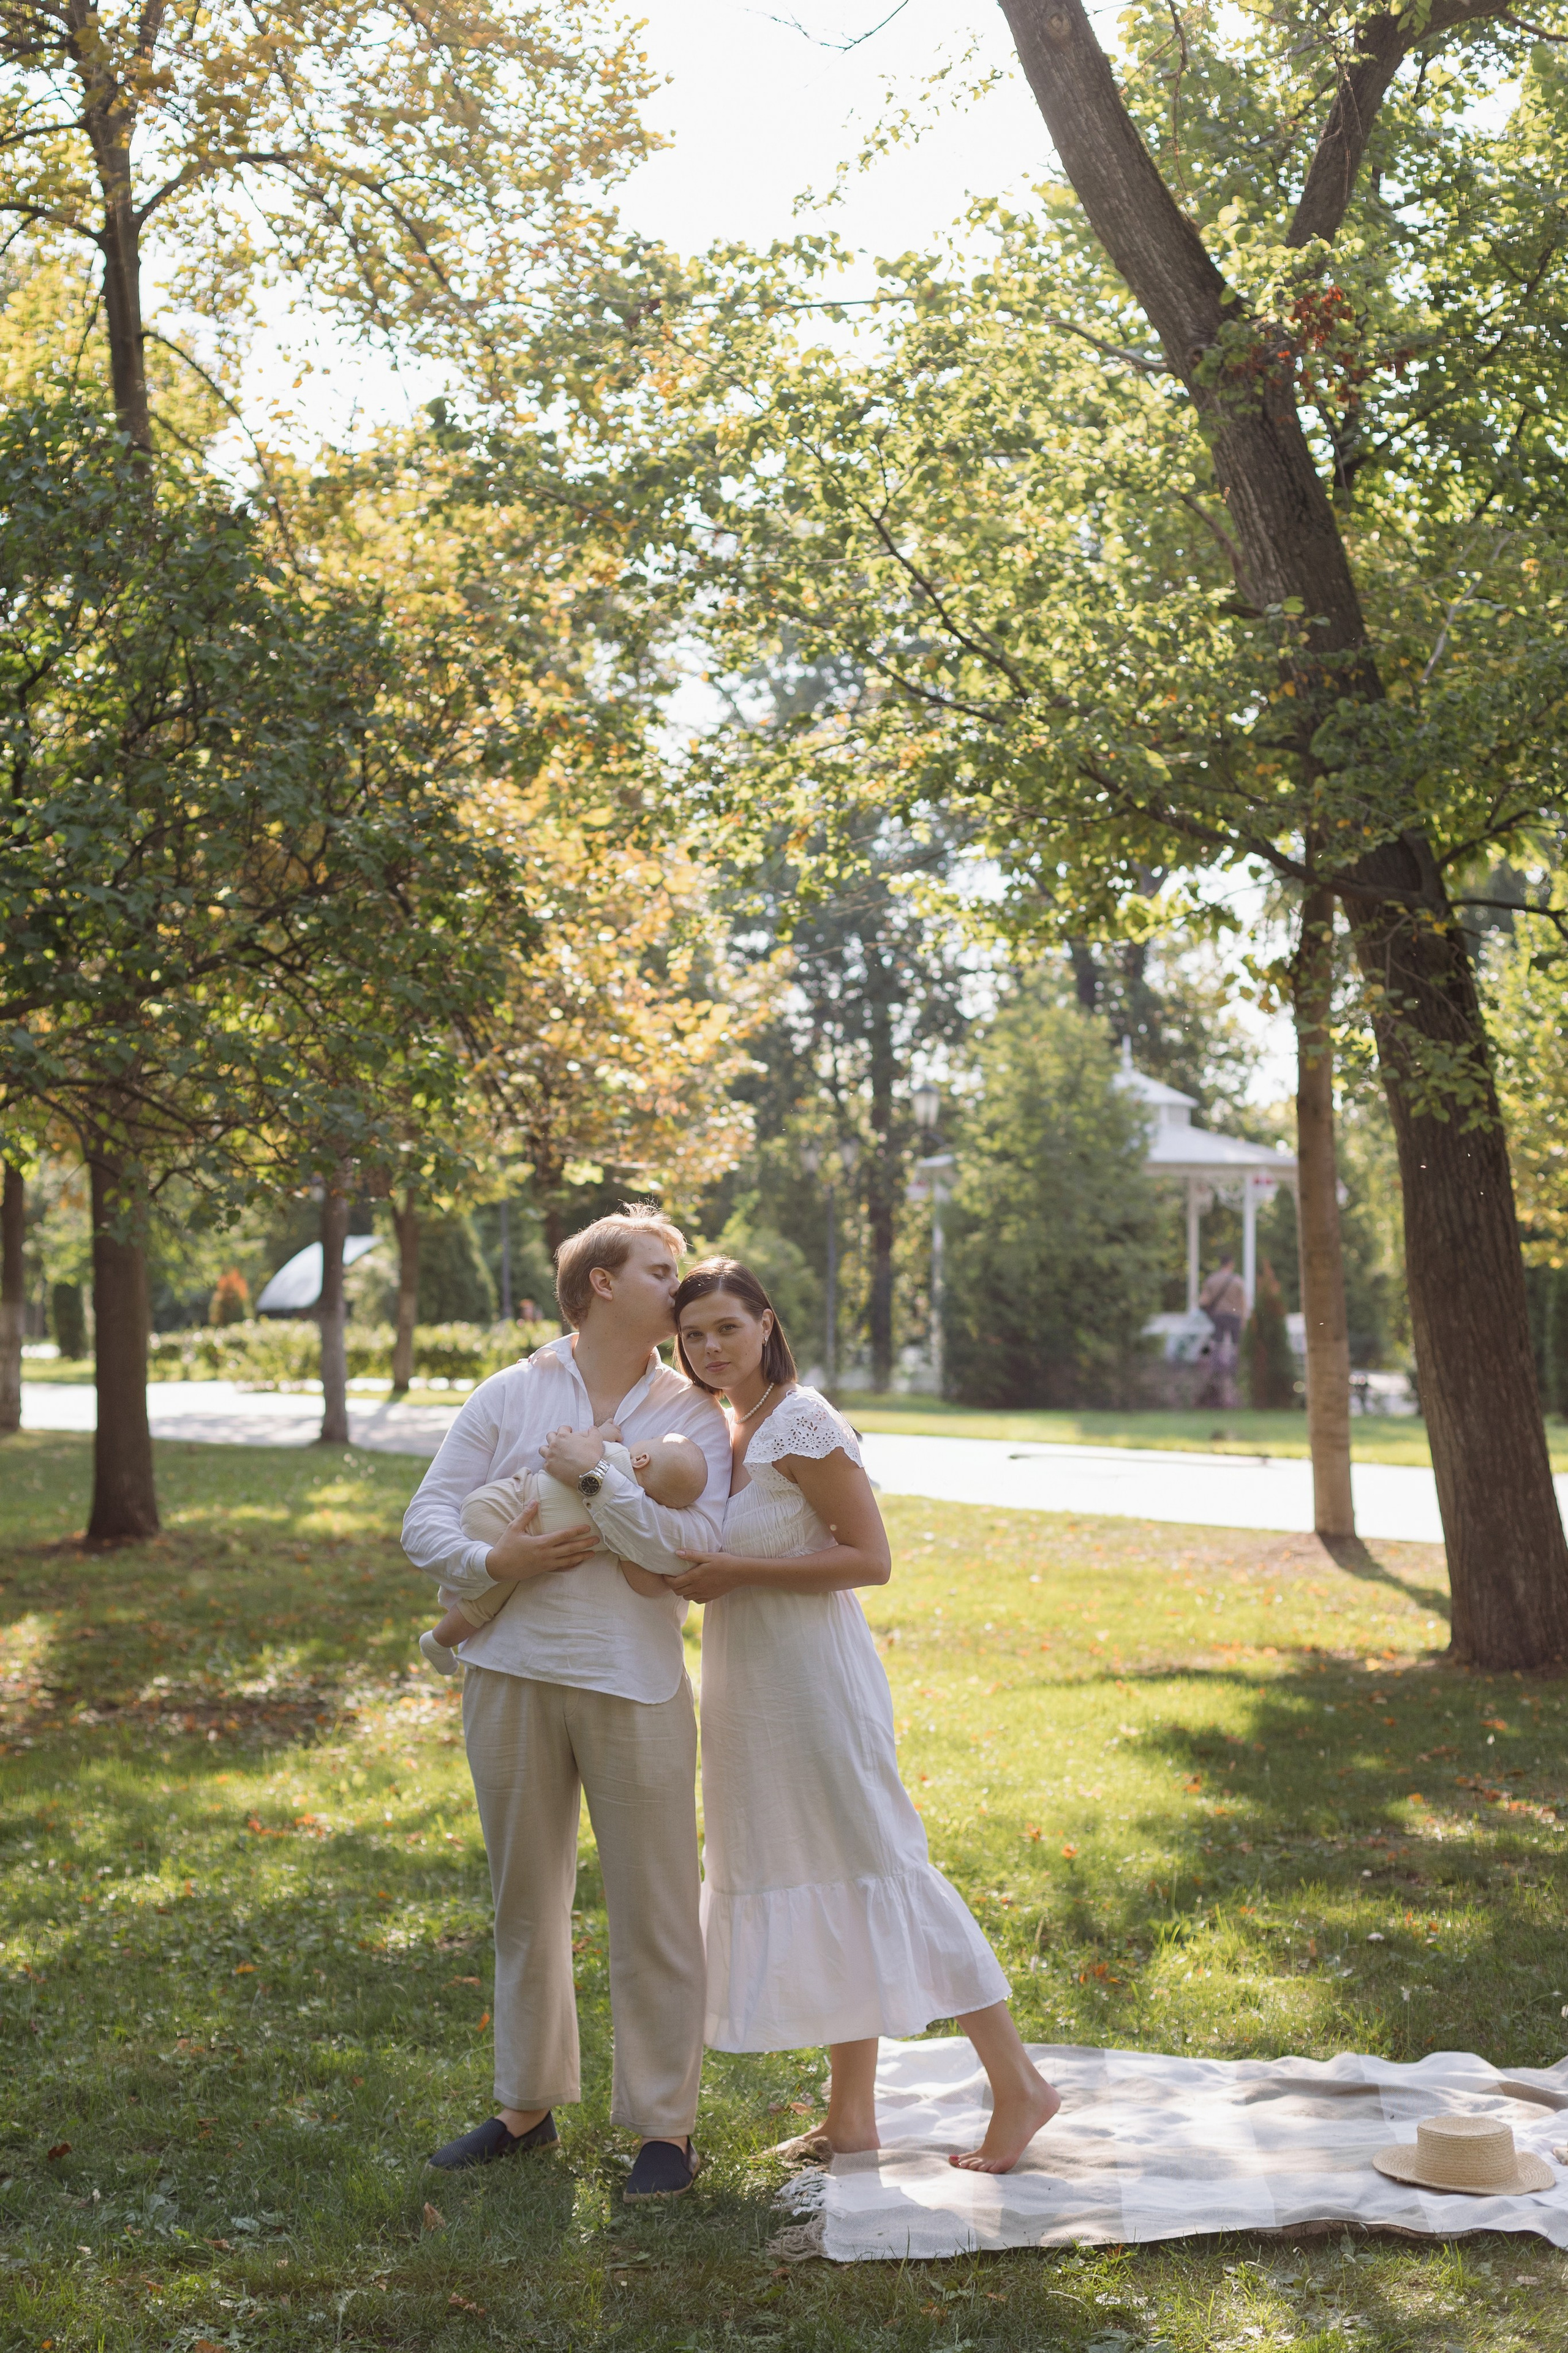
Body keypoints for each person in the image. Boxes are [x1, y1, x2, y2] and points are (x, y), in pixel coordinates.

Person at [668, 1258, 1061, 2176]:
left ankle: (1019, 2085)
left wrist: (737, 1572)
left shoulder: (801, 1418)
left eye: (727, 1327)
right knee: (826, 1877)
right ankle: (850, 2119)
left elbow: (870, 1558)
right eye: (692, 1335)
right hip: (749, 1685)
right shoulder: (723, 1428)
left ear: (767, 1323)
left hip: (815, 1681)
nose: (710, 1347)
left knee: (881, 1864)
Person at [400, 1207, 730, 2199]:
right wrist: (495, 1561)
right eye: (661, 1269)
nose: (679, 1286)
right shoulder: (511, 1391)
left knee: (658, 1911)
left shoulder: (694, 1411)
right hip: (510, 1677)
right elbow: (425, 1518)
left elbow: (695, 1548)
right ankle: (526, 2108)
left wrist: (596, 1482)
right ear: (601, 1283)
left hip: (636, 1683)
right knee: (526, 1905)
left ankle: (665, 2130)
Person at [417, 1426, 708, 1675]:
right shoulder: (628, 1525)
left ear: (642, 1459)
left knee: (493, 1582)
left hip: (502, 1503)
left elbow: (575, 1444)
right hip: (513, 1516)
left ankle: (440, 1632)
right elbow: (641, 1583)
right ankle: (440, 1640)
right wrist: (664, 1583)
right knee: (485, 1603)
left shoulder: (612, 1456)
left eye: (653, 1439)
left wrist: (603, 1432)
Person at [1199, 1253, 1246, 1408]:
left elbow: (1203, 1300)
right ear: (1231, 1264)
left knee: (1217, 1344)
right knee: (1235, 1345)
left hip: (1218, 1316)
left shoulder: (1212, 1280)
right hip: (1234, 1317)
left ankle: (1216, 1369)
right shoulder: (1237, 1281)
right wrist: (1243, 1319)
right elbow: (1243, 1303)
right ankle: (1234, 1367)